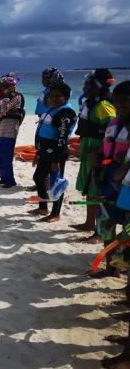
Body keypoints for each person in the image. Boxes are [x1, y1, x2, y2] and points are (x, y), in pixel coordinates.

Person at [89, 81, 130, 278]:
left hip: (126, 183)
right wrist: (96, 154)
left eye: (125, 100)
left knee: (127, 228)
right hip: (108, 180)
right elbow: (107, 147)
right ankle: (110, 268)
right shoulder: (114, 123)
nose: (120, 104)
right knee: (106, 223)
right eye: (117, 100)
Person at [71, 69, 116, 243]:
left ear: (97, 86)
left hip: (98, 157)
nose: (84, 87)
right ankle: (90, 223)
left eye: (88, 83)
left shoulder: (104, 106)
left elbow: (111, 131)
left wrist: (98, 152)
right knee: (90, 191)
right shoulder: (92, 104)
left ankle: (99, 232)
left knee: (98, 192)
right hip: (88, 154)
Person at [30, 83, 77, 222]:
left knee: (57, 183)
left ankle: (55, 214)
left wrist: (56, 161)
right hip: (45, 150)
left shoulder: (65, 113)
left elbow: (62, 138)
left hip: (56, 152)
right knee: (38, 177)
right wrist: (38, 152)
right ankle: (43, 207)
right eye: (51, 96)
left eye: (58, 96)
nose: (54, 99)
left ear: (66, 97)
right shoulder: (51, 109)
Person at [0, 74, 24, 188]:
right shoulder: (3, 98)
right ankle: (3, 177)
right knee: (0, 151)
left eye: (5, 86)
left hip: (10, 126)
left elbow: (3, 111)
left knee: (7, 153)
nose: (1, 88)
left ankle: (10, 180)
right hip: (2, 126)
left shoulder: (17, 97)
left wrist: (2, 111)